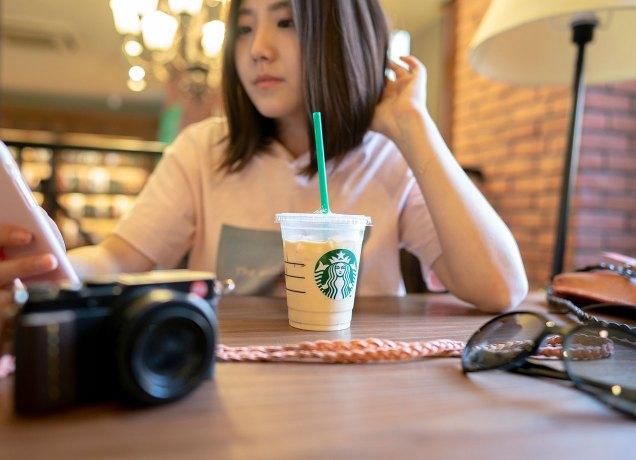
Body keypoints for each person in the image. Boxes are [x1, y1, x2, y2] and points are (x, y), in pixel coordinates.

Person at [0, 0, 528, 316]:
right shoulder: (203, 150)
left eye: (288, 22)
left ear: (343, 37)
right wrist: (48, 263)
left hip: (360, 388)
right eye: (246, 26)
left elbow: (501, 288)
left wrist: (414, 128)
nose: (257, 49)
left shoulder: (387, 159)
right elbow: (119, 259)